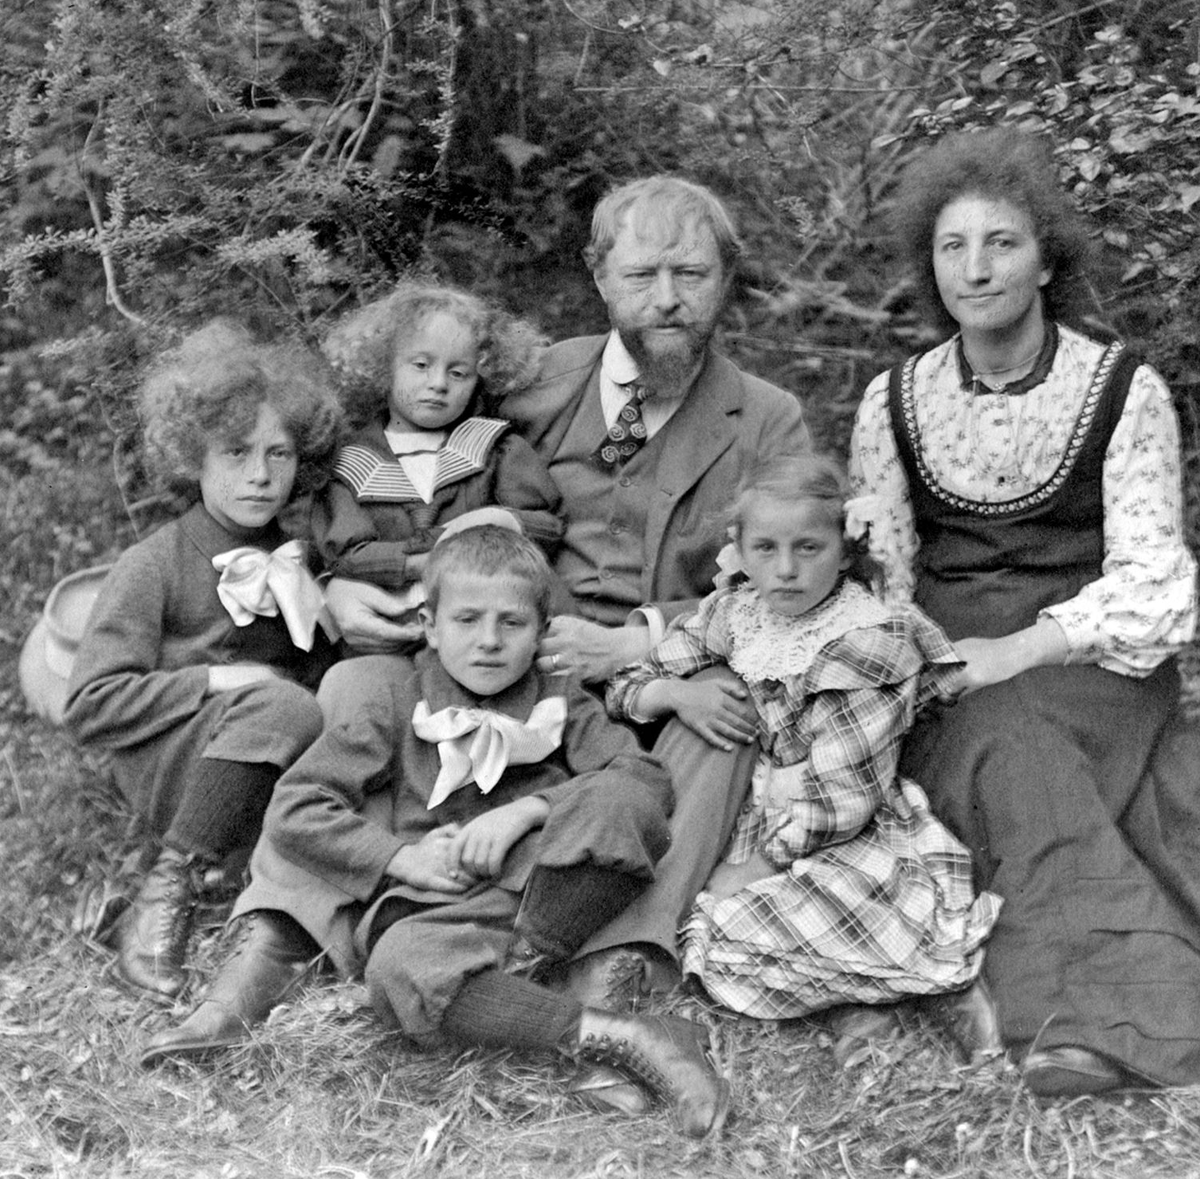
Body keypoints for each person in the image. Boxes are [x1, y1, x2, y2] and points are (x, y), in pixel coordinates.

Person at [319, 175, 809, 1110]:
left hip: (654, 669)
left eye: (692, 272)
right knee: (355, 685)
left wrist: (637, 647)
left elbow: (785, 585)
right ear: (598, 277)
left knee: (722, 721)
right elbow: (396, 473)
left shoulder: (768, 418)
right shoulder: (534, 382)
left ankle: (616, 964)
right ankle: (290, 921)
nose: (667, 297)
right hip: (494, 644)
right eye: (642, 273)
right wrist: (345, 574)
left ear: (728, 280)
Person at [140, 526, 728, 1138]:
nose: (489, 642)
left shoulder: (561, 699)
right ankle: (620, 1035)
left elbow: (642, 780)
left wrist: (528, 812)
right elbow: (298, 805)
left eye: (512, 624)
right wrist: (399, 859)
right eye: (468, 620)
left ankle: (523, 974)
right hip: (440, 908)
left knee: (620, 798)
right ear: (430, 625)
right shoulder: (396, 698)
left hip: (541, 894)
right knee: (399, 969)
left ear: (541, 630)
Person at [850, 127, 1200, 1097]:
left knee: (1021, 732)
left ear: (1047, 257)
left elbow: (1153, 583)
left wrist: (1019, 649)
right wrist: (918, 657)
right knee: (991, 727)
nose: (976, 268)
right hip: (948, 651)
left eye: (1000, 242)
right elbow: (882, 573)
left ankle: (1099, 1023)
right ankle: (1094, 1010)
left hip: (1088, 653)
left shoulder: (1125, 390)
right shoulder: (894, 400)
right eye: (953, 247)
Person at [607, 454, 1002, 1063]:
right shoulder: (734, 612)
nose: (785, 570)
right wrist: (672, 693)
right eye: (765, 549)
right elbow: (628, 683)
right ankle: (862, 1008)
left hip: (844, 828)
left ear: (844, 553)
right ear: (740, 550)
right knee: (713, 933)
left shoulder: (869, 638)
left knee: (768, 916)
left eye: (809, 549)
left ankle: (927, 992)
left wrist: (762, 860)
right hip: (760, 816)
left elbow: (846, 793)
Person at [63, 321, 343, 1001]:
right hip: (174, 763)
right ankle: (163, 892)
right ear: (194, 456)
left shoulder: (301, 557)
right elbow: (89, 705)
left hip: (272, 766)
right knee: (281, 702)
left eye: (279, 454)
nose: (260, 474)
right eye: (238, 451)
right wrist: (218, 677)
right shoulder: (153, 562)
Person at [314, 281, 563, 636]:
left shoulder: (495, 447)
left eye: (458, 372)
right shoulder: (351, 463)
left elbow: (549, 526)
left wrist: (502, 518)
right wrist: (418, 563)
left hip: (490, 625)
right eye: (420, 365)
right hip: (390, 621)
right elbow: (347, 555)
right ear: (384, 367)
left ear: (481, 379)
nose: (438, 383)